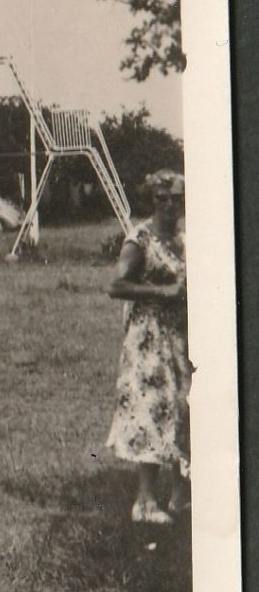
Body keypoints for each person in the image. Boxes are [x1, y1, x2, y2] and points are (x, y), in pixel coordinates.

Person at [105, 169, 190, 525]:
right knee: (151, 412)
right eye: (161, 199)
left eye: (177, 199)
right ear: (152, 200)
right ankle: (145, 502)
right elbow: (117, 286)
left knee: (183, 409)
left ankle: (180, 495)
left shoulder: (186, 238)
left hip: (181, 335)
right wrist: (162, 293)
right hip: (148, 339)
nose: (170, 205)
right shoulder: (140, 239)